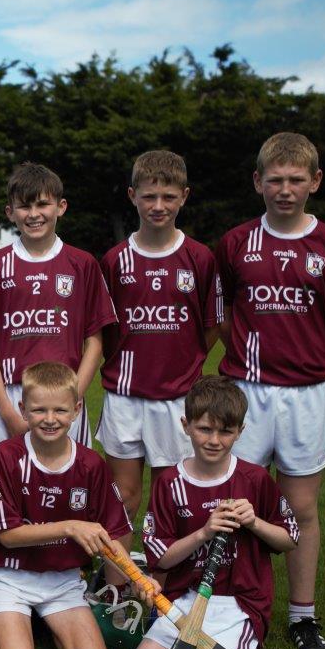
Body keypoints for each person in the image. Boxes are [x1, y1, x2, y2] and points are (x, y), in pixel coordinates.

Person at [214, 132, 325, 649]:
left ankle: (303, 618)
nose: (285, 189)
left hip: (308, 395)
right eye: (275, 179)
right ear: (258, 182)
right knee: (236, 503)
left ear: (315, 182)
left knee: (300, 507)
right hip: (247, 393)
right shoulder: (236, 242)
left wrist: (309, 359)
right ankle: (237, 612)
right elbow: (222, 316)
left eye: (296, 180)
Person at [124, 376, 300, 649]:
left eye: (226, 431)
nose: (215, 440)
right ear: (186, 425)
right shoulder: (171, 484)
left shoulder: (254, 479)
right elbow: (161, 558)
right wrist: (204, 532)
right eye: (205, 429)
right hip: (185, 600)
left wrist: (254, 522)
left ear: (241, 431)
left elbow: (289, 539)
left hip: (238, 604)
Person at [0, 361, 134, 649]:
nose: (50, 419)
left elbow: (113, 533)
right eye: (39, 410)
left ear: (77, 409)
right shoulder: (7, 455)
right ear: (23, 409)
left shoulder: (91, 465)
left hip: (61, 580)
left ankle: (38, 623)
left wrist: (134, 577)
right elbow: (8, 536)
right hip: (9, 576)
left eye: (60, 410)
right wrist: (70, 526)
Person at [96, 151, 222, 544]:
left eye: (168, 197)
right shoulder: (115, 260)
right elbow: (106, 330)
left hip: (177, 399)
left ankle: (163, 590)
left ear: (184, 196)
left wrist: (180, 364)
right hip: (124, 396)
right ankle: (116, 591)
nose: (158, 206)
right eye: (149, 196)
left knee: (170, 499)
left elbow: (210, 327)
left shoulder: (200, 258)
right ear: (133, 195)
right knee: (125, 497)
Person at [0, 162, 115, 446]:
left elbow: (94, 341)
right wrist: (7, 412)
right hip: (11, 396)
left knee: (68, 482)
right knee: (6, 484)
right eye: (24, 206)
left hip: (66, 397)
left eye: (42, 204)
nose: (34, 214)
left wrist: (74, 397)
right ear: (10, 212)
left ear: (61, 207)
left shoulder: (82, 264)